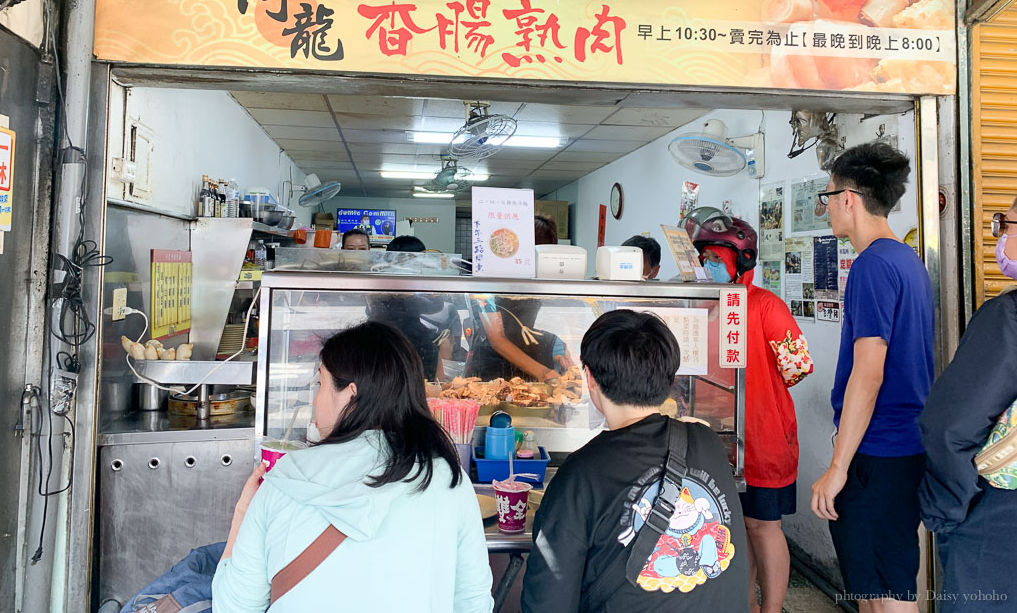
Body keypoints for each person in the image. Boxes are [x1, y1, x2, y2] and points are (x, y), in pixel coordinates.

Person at [212, 322, 493, 612]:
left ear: (351, 394)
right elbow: (473, 603)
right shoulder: (447, 478)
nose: (315, 401)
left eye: (320, 384)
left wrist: (242, 515)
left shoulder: (285, 476)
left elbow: (234, 607)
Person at [521, 309, 748, 613]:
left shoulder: (581, 474)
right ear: (670, 378)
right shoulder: (707, 443)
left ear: (589, 378)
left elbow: (547, 602)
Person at [810, 142, 933, 613]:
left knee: (886, 594)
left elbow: (869, 372)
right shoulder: (906, 261)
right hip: (901, 450)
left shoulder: (872, 267)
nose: (826, 208)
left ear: (848, 198)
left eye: (827, 197)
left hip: (879, 453)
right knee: (876, 587)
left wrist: (838, 467)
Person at [683, 207, 809, 613]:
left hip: (763, 438)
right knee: (731, 529)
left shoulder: (767, 305)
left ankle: (770, 609)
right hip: (712, 438)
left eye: (717, 259)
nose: (709, 267)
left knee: (762, 527)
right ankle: (744, 605)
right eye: (705, 260)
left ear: (743, 261)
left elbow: (799, 365)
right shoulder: (700, 306)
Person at [918, 200, 1017, 612]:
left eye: (1005, 223)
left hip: (998, 522)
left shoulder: (1007, 316)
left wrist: (948, 512)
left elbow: (950, 426)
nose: (1000, 236)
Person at [468, 215, 574, 381]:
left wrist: (560, 349)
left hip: (531, 366)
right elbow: (496, 338)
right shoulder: (488, 283)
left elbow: (538, 325)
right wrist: (544, 373)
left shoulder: (538, 282)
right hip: (491, 372)